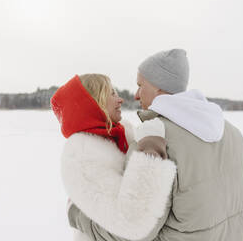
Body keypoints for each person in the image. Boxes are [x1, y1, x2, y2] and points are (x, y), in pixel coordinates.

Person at [67, 49, 243, 241]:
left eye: (141, 85)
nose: (136, 95)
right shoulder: (231, 133)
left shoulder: (154, 138)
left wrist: (78, 215)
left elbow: (132, 232)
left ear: (158, 87)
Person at [50, 74, 177, 241]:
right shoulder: (83, 154)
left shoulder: (122, 133)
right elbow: (131, 221)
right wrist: (151, 152)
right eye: (112, 94)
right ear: (93, 103)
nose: (120, 100)